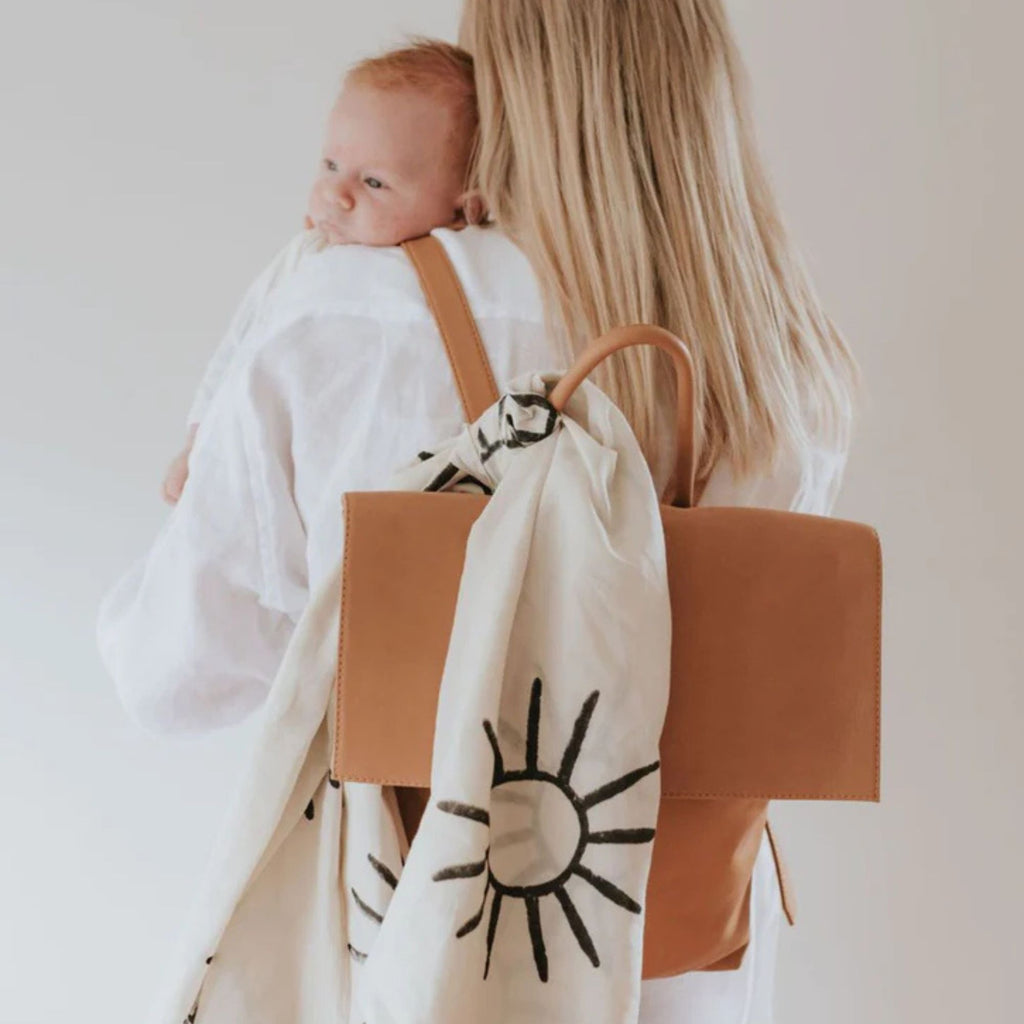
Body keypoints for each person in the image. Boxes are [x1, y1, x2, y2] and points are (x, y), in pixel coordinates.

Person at [97, 1, 860, 1020]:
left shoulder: (346, 310)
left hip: (408, 921)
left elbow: (171, 674)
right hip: (675, 944)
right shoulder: (780, 348)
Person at [162, 39, 482, 505]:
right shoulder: (306, 257)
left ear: (465, 208)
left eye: (374, 182)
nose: (336, 194)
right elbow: (237, 349)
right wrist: (198, 444)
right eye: (331, 165)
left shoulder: (465, 271)